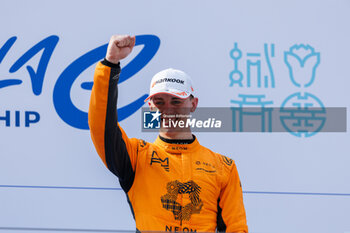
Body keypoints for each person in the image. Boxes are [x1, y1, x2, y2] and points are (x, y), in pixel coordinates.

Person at [88, 34, 248, 233]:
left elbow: (236, 228)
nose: (168, 109)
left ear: (193, 104)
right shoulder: (136, 156)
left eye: (176, 101)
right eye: (159, 102)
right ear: (150, 107)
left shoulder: (224, 168)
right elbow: (102, 126)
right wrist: (110, 65)